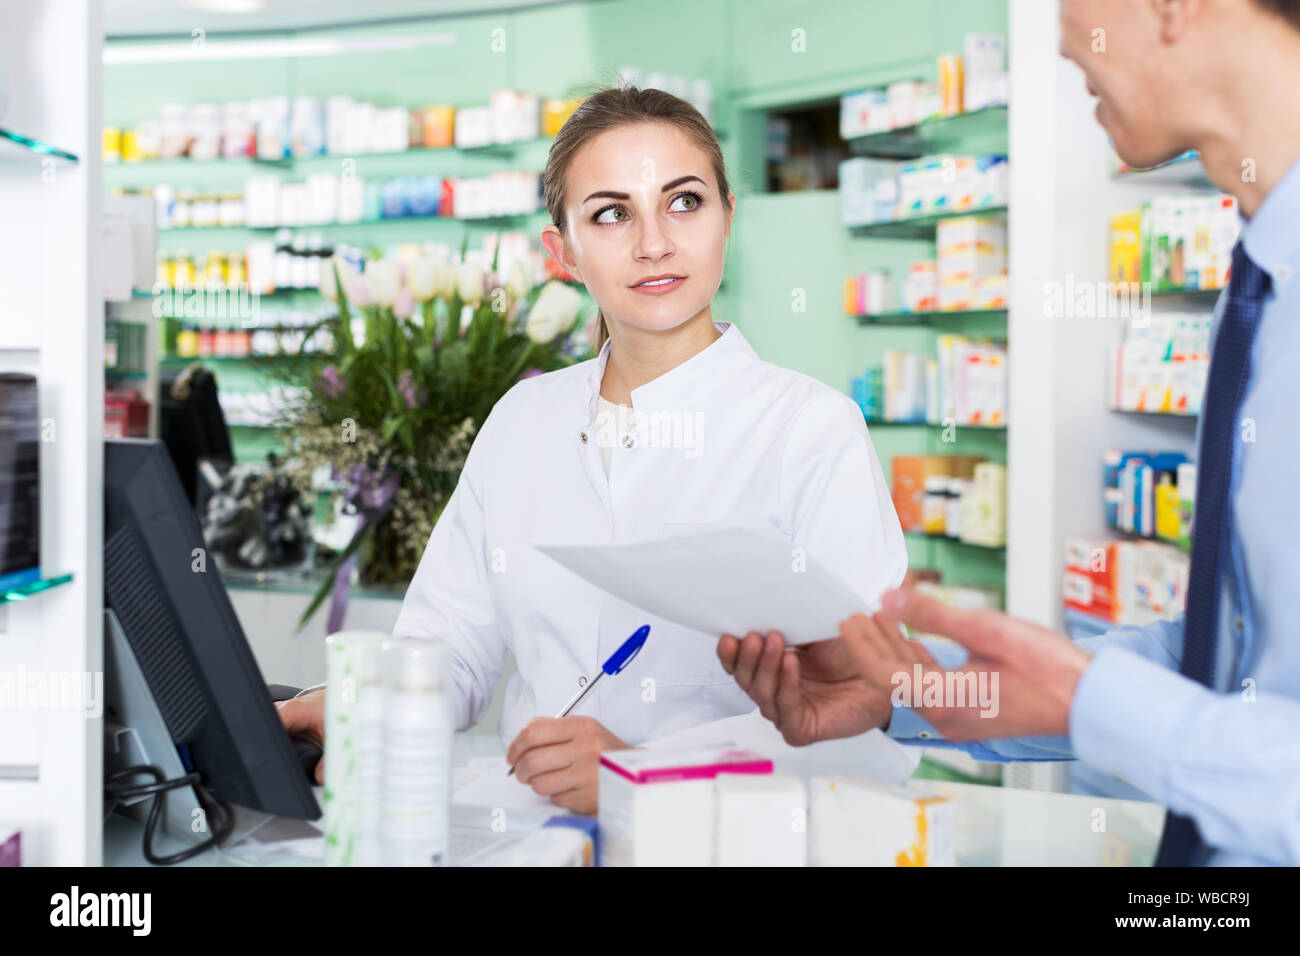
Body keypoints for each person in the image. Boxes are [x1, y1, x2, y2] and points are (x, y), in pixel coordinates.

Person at [717, 0, 1300, 866]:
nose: (1058, 30)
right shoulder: (1260, 283)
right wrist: (919, 687)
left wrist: (1090, 700)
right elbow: (1238, 655)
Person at [278, 85, 908, 814]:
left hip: (727, 842)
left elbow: (865, 711)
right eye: (612, 213)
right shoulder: (524, 418)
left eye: (684, 202)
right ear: (563, 252)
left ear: (727, 219)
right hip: (529, 835)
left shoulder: (809, 429)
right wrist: (364, 704)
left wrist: (646, 773)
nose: (654, 243)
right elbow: (450, 643)